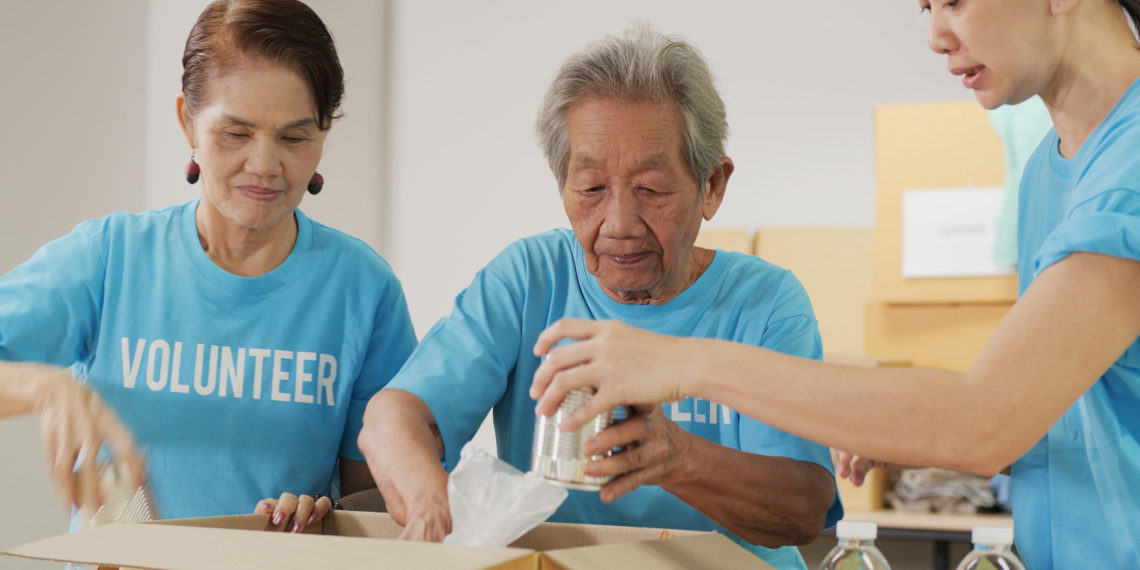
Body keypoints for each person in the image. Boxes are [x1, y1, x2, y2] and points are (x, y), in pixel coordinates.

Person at [530, 1, 1140, 568]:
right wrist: (903, 423)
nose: (935, 36)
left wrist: (683, 362)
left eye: (954, 1)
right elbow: (1057, 420)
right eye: (926, 7)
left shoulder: (1129, 169)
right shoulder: (1050, 171)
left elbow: (987, 422)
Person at [351, 25, 841, 569]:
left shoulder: (766, 303)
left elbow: (803, 510)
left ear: (712, 186)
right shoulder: (529, 279)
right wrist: (429, 505)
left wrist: (675, 456)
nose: (619, 223)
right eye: (590, 189)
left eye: (651, 189)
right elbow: (395, 416)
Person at [0, 0, 416, 531]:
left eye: (294, 137)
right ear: (188, 122)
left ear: (324, 131)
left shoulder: (363, 289)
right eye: (236, 134)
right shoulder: (110, 258)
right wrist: (43, 387)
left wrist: (329, 517)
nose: (264, 165)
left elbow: (382, 502)